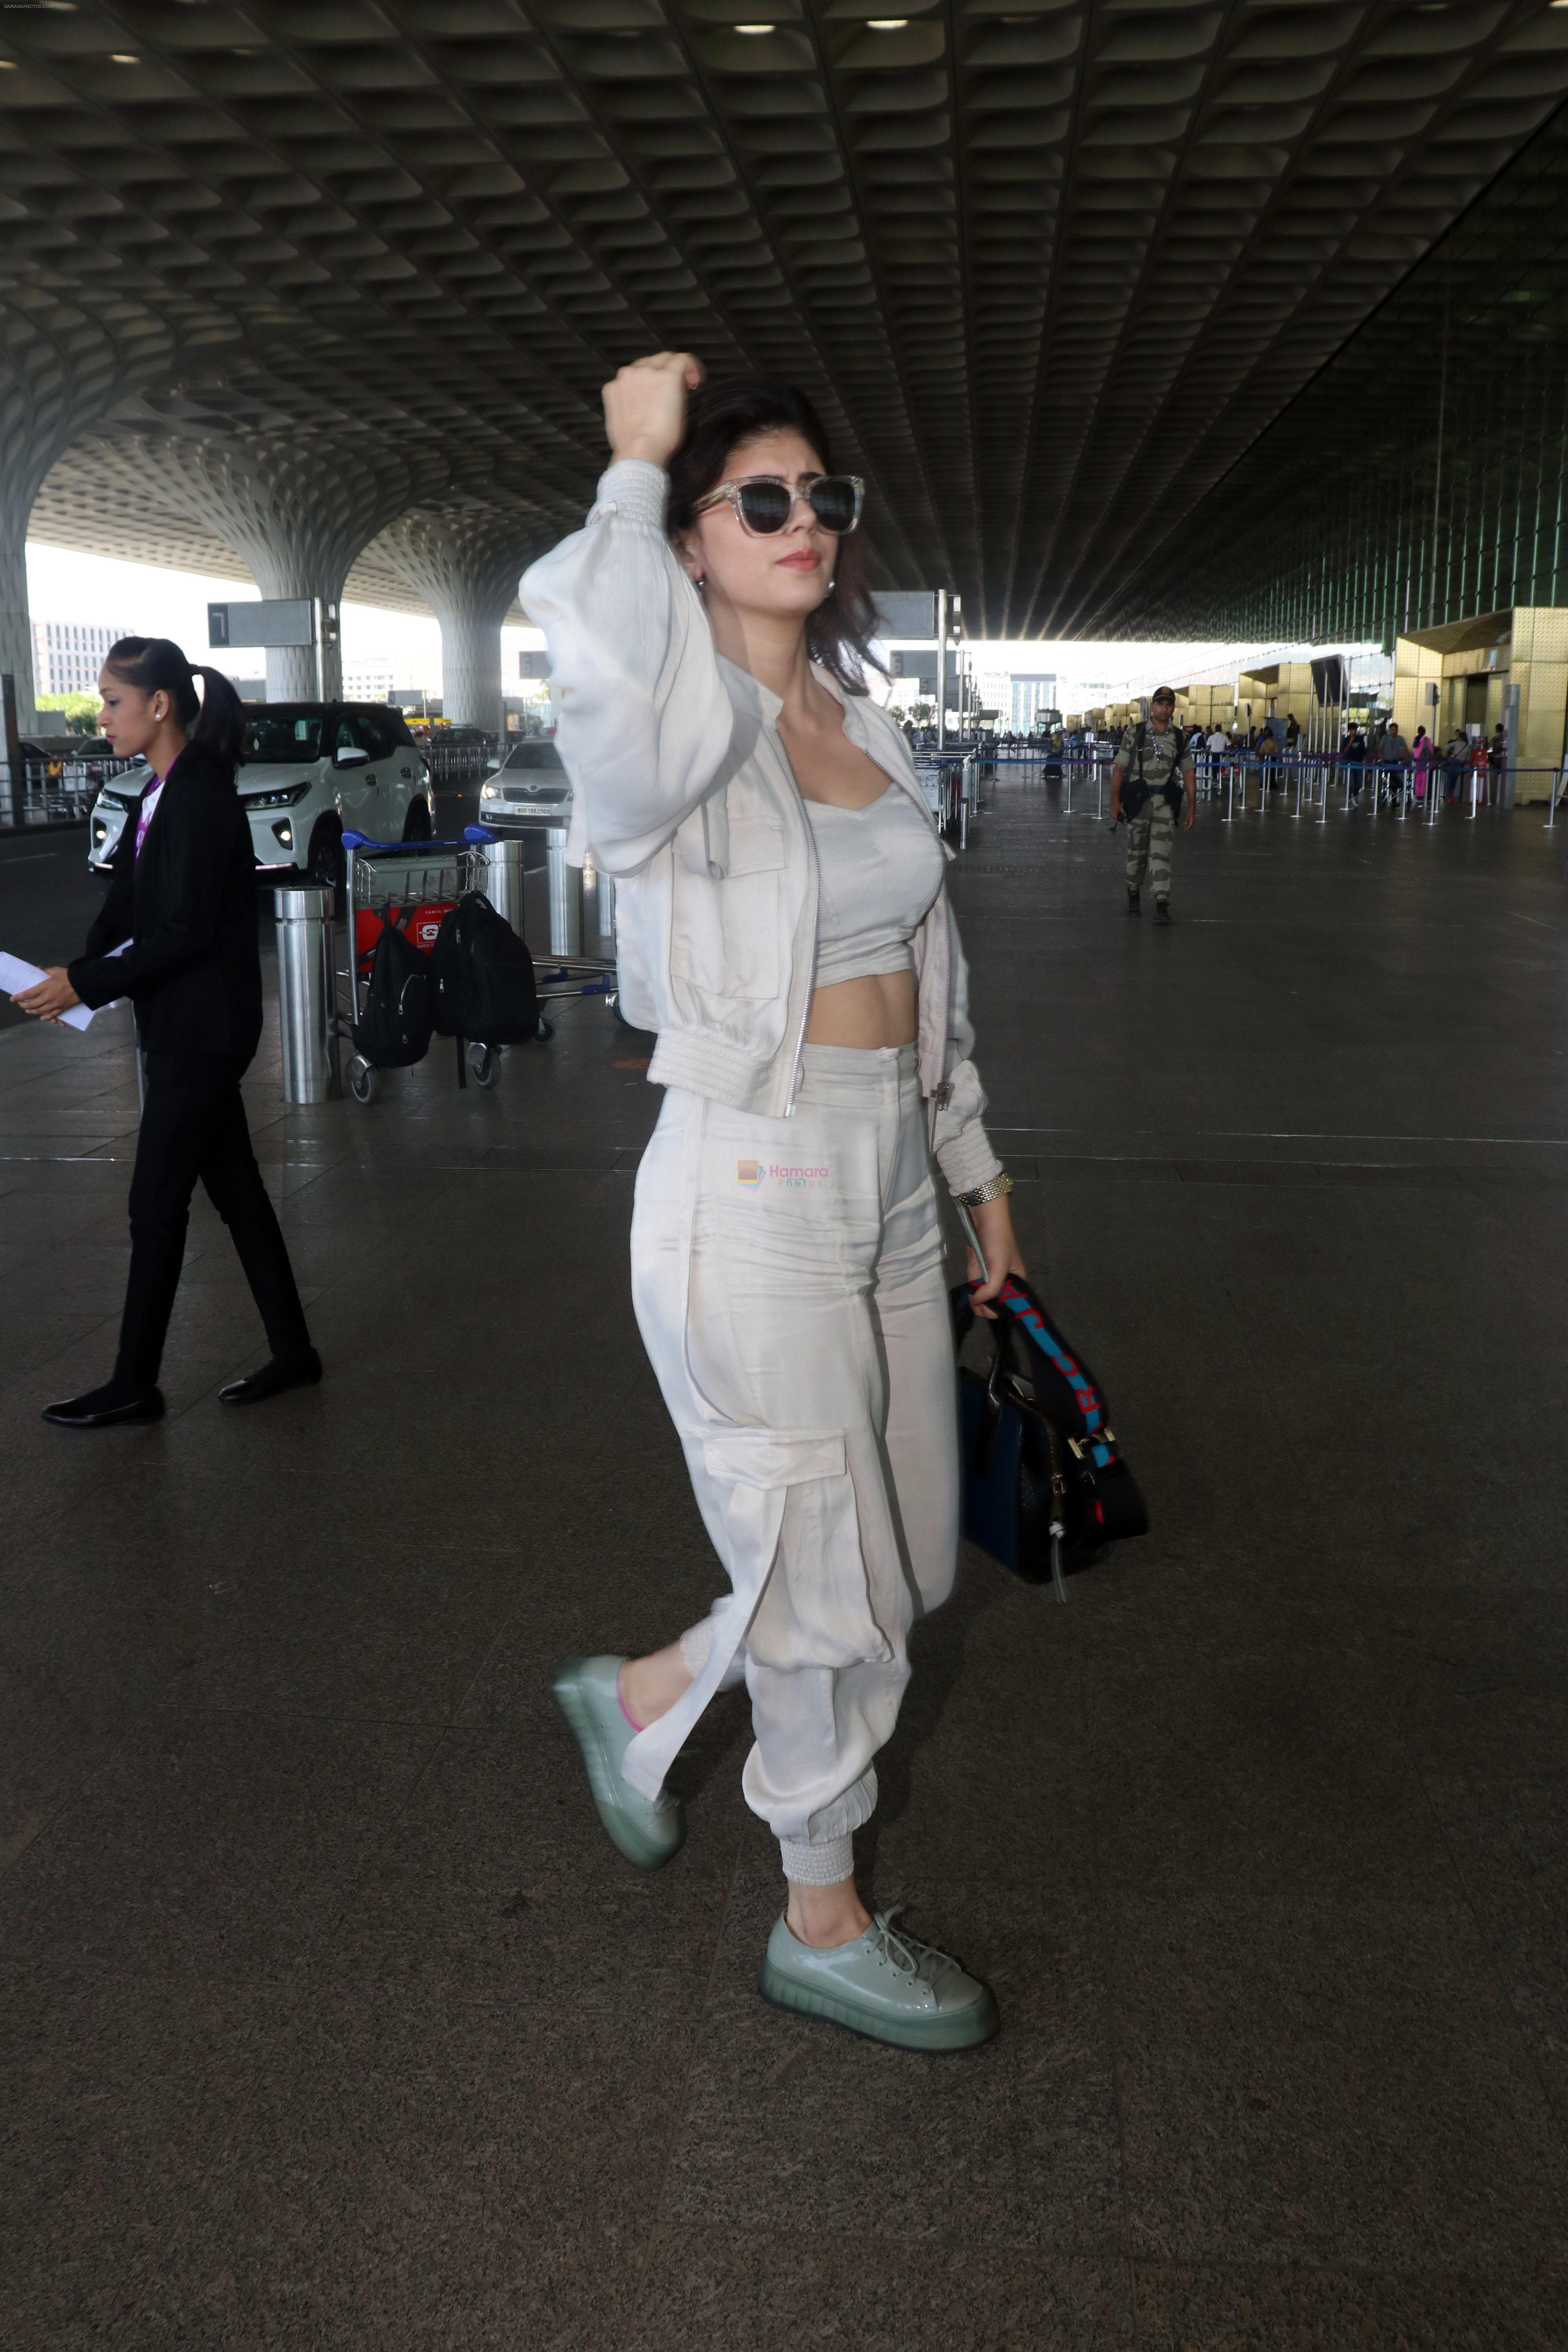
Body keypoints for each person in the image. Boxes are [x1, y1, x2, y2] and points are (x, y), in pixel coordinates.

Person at [523, 353, 1020, 2052]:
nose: (804, 522)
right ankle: (820, 1911)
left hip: (887, 1164)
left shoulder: (860, 723)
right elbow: (587, 654)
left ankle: (652, 1686)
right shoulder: (673, 740)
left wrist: (973, 1169)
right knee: (823, 1569)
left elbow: (926, 967)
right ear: (687, 543)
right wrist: (630, 460)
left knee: (903, 1570)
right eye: (759, 500)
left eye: (822, 497)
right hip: (749, 1173)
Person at [9, 638, 319, 1428]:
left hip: (204, 1030)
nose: (101, 717)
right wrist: (70, 973)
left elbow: (179, 933)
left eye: (113, 702)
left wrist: (86, 984)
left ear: (159, 705)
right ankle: (293, 1353)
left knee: (155, 1204)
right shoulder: (156, 794)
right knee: (238, 1192)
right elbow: (129, 911)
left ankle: (134, 1384)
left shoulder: (202, 797)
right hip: (184, 1023)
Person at [1108, 686, 1196, 923]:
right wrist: (1115, 801)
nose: (1164, 708)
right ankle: (1133, 893)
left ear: (1173, 708)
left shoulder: (1179, 738)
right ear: (1153, 706)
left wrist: (1192, 807)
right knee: (1137, 852)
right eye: (1160, 704)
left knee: (1162, 854)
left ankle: (1161, 903)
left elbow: (1188, 772)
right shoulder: (1135, 733)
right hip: (1139, 803)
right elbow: (1119, 768)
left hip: (1165, 804)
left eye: (1168, 705)